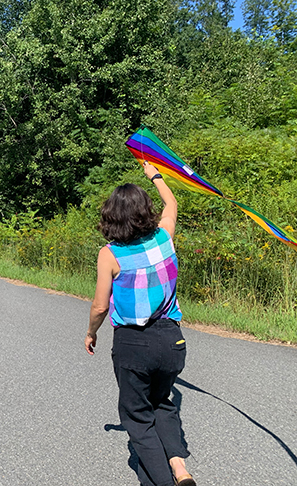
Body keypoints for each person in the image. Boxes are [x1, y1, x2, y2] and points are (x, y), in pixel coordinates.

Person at [84, 161, 196, 486]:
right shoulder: (164, 237)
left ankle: (162, 480)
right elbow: (172, 204)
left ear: (110, 217)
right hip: (172, 341)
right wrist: (155, 175)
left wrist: (91, 333)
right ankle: (180, 469)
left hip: (133, 345)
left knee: (137, 418)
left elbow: (100, 305)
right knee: (162, 401)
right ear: (146, 211)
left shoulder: (110, 255)